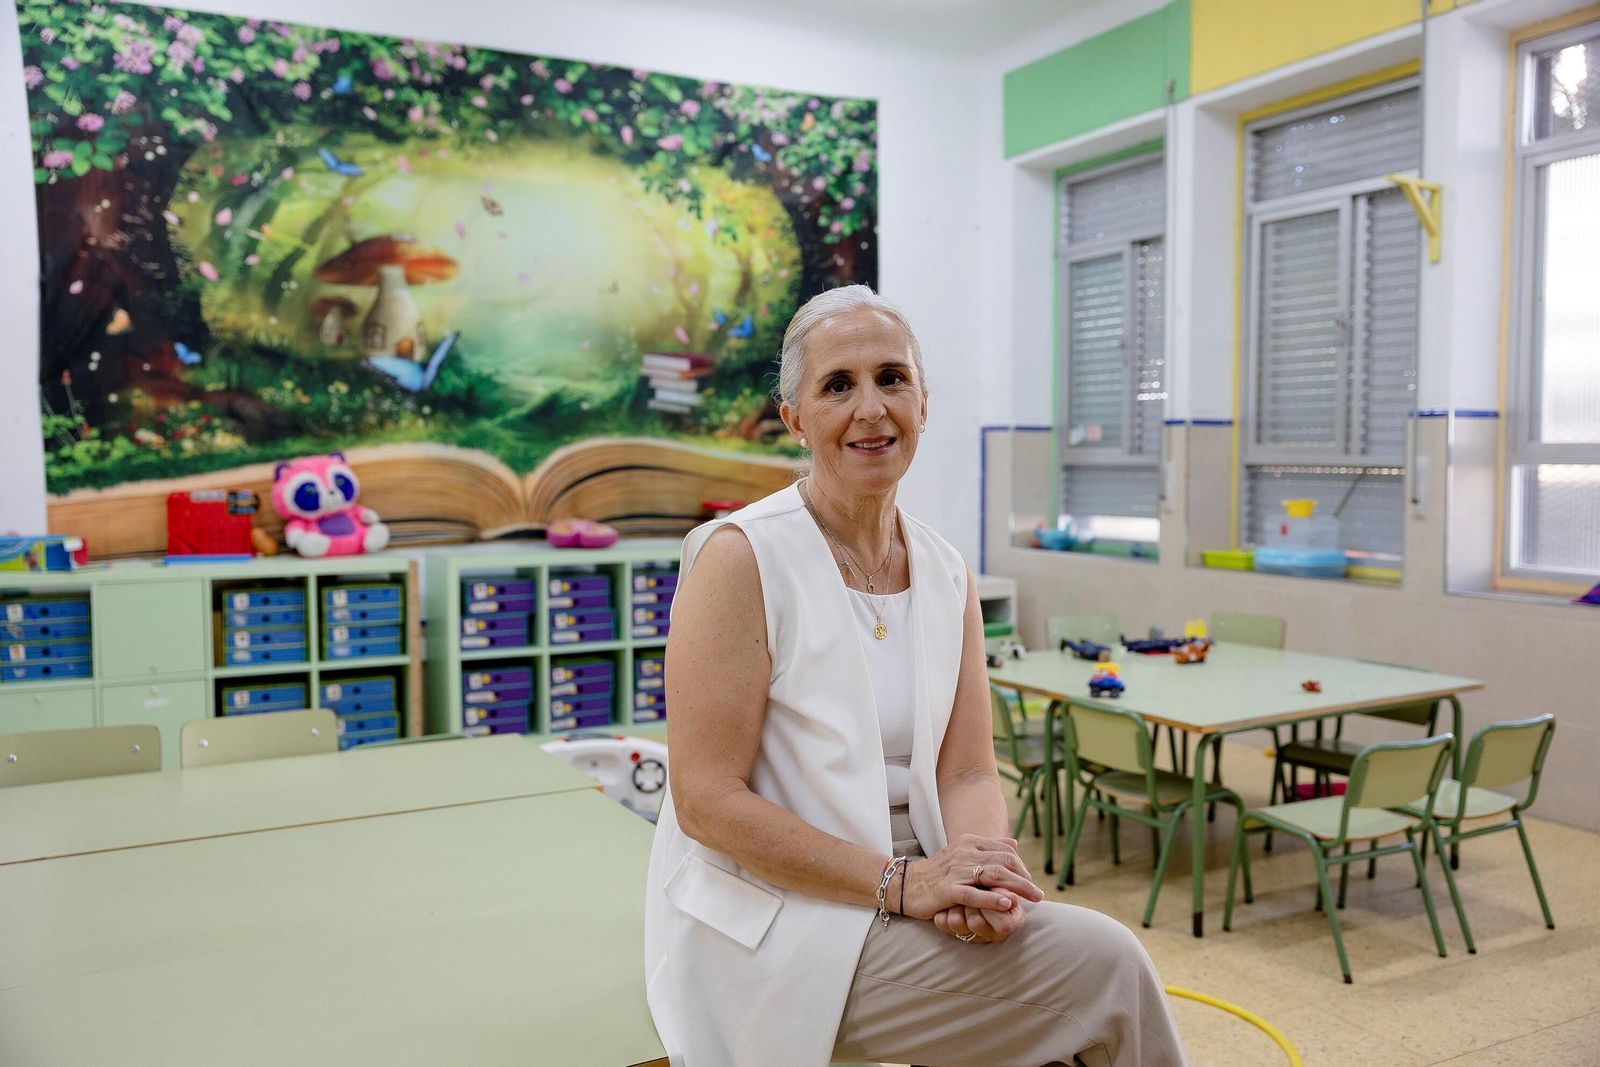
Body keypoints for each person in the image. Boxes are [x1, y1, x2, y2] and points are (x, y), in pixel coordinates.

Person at [644, 285, 1189, 1067]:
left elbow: (967, 768)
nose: (870, 409)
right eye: (838, 385)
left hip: (916, 886)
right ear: (795, 419)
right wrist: (903, 883)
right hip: (777, 919)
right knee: (1110, 968)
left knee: (1063, 1015)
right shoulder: (742, 558)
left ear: (923, 403)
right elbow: (706, 800)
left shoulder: (943, 568)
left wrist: (981, 870)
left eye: (892, 378)